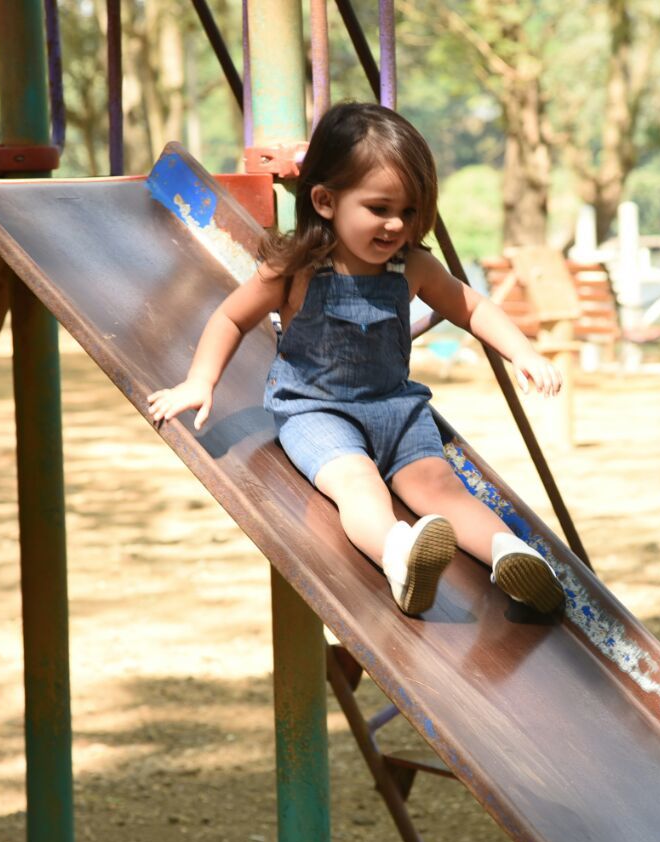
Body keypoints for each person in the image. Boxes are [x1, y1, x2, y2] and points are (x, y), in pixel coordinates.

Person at [146, 102, 565, 617]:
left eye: (409, 212)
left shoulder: (412, 266)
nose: (396, 225)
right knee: (357, 482)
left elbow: (471, 306)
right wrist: (200, 381)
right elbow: (231, 318)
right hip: (315, 412)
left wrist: (522, 351)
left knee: (440, 487)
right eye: (380, 208)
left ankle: (512, 557)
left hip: (396, 411)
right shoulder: (295, 269)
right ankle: (399, 556)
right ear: (325, 201)